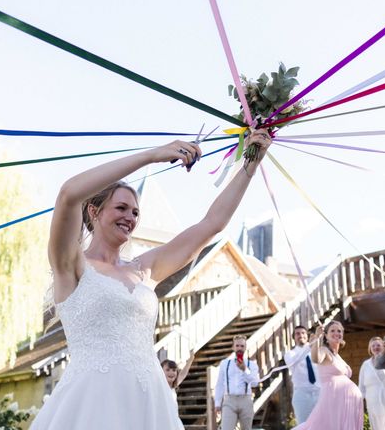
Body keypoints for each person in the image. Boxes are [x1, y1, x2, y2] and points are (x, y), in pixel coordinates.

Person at [29, 130, 271, 429]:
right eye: (120, 208)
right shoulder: (72, 264)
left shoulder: (146, 268)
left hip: (148, 401)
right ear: (94, 210)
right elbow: (68, 194)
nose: (130, 217)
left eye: (135, 212)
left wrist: (252, 160)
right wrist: (151, 156)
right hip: (93, 400)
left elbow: (212, 224)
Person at [292, 321, 363, 430]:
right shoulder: (324, 350)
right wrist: (316, 338)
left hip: (348, 403)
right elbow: (316, 359)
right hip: (332, 400)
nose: (336, 333)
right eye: (332, 331)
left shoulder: (337, 355)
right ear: (325, 335)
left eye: (339, 331)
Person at [213, 335, 260, 430]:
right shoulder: (225, 363)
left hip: (245, 400)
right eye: (237, 345)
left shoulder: (252, 364)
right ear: (233, 347)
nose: (239, 348)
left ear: (245, 347)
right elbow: (220, 384)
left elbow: (255, 383)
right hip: (229, 400)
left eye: (242, 346)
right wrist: (217, 403)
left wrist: (245, 369)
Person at [283, 325, 319, 424]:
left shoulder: (316, 350)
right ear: (294, 338)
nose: (300, 335)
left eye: (303, 333)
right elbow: (295, 361)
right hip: (302, 394)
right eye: (297, 334)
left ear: (307, 335)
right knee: (304, 425)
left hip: (319, 392)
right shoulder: (290, 354)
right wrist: (310, 346)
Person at [359, 337, 385, 430]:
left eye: (378, 345)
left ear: (383, 346)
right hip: (372, 402)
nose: (375, 347)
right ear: (370, 349)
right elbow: (361, 387)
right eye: (373, 346)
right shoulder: (365, 365)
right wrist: (359, 402)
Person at [161, 350, 195, 418]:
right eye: (167, 370)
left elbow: (183, 374)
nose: (171, 372)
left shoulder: (173, 387)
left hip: (174, 419)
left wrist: (190, 360)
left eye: (174, 370)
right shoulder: (160, 386)